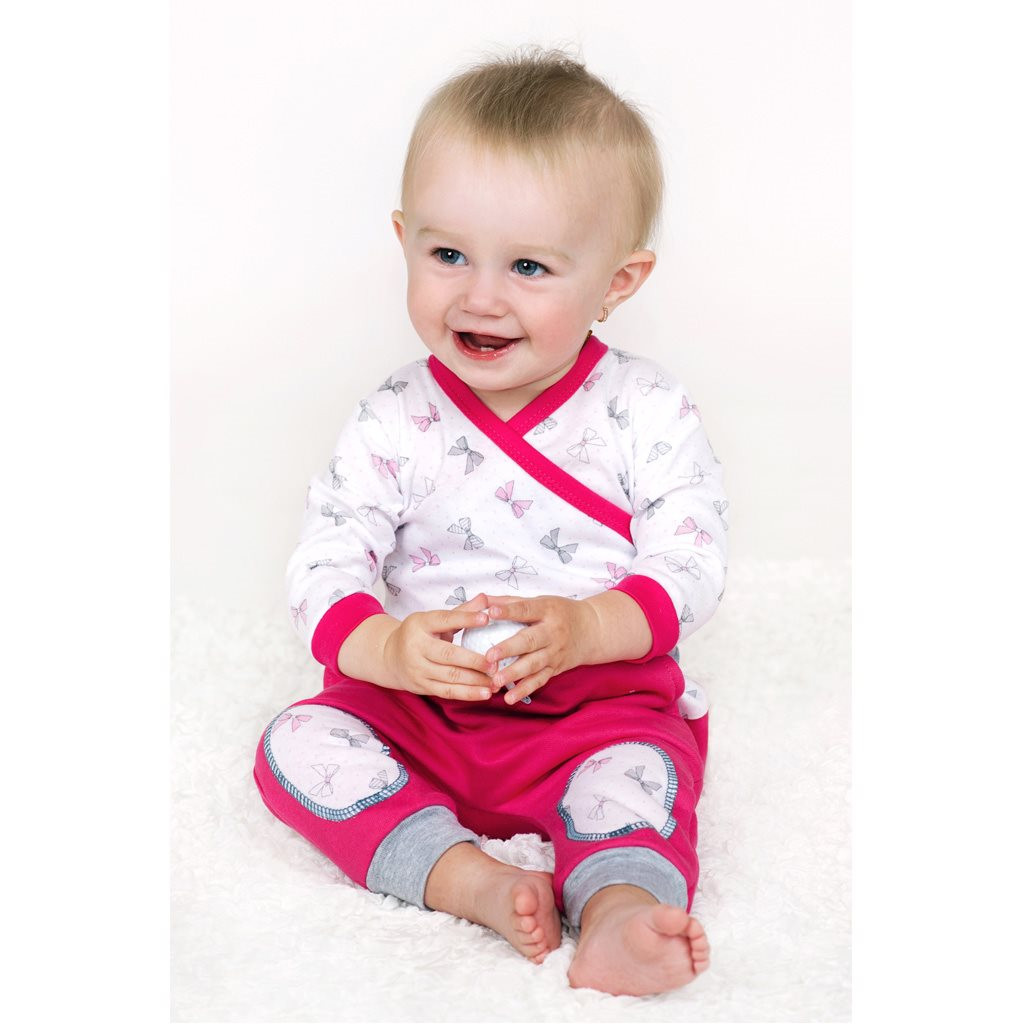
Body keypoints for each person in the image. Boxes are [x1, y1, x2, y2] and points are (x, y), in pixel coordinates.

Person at [253, 47, 728, 997]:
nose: (479, 295)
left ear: (619, 281)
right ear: (404, 239)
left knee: (636, 783)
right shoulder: (396, 418)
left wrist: (590, 627)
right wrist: (385, 650)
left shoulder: (644, 410)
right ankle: (463, 877)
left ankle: (618, 910)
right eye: (447, 255)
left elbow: (692, 561)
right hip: (422, 714)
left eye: (528, 266)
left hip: (590, 713)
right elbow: (328, 552)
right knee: (292, 748)